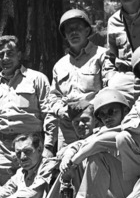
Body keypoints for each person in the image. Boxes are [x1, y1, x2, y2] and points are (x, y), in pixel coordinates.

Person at [0, 35, 52, 181]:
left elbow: (49, 115)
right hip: (2, 150)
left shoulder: (36, 79)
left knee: (32, 191)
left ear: (19, 55)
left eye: (10, 53)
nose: (5, 58)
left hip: (30, 145)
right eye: (1, 55)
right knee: (3, 195)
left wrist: (49, 147)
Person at [50, 9, 120, 147]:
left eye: (77, 28)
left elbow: (111, 88)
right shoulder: (60, 65)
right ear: (64, 35)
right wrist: (62, 111)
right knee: (67, 165)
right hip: (68, 127)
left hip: (96, 122)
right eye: (69, 30)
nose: (73, 32)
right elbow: (53, 97)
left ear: (87, 31)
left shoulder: (102, 55)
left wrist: (90, 106)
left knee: (96, 163)